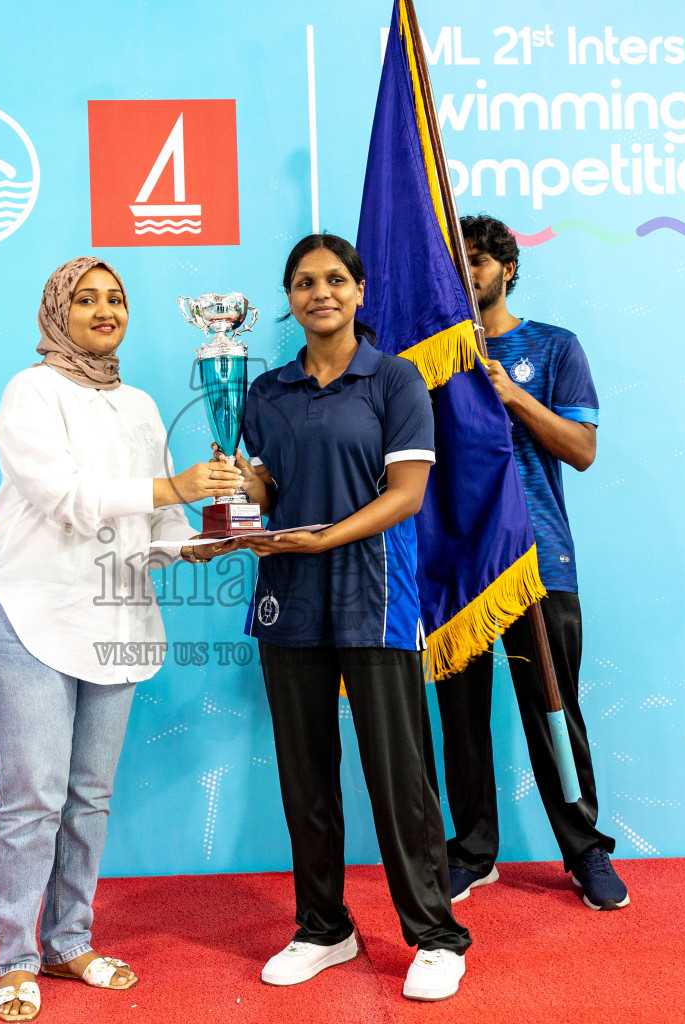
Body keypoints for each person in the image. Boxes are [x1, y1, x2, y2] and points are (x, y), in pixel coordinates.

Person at [0, 256, 245, 1021]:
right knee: (34, 800)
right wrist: (171, 489)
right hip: (26, 616)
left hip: (113, 622)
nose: (103, 309)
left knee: (89, 798)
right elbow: (64, 496)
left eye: (115, 298)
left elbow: (156, 531)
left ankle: (68, 940)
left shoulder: (143, 407)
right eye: (85, 298)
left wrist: (215, 532)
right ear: (57, 311)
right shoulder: (32, 392)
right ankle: (16, 956)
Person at [232, 233, 471, 1002]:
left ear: (360, 290)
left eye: (335, 279)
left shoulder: (395, 380)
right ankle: (323, 928)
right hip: (289, 600)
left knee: (398, 774)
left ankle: (436, 936)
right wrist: (231, 509)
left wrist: (323, 536)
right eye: (303, 282)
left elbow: (405, 496)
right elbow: (262, 499)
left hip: (375, 596)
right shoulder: (263, 390)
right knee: (306, 776)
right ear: (290, 298)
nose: (320, 292)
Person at [435, 214, 629, 911]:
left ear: (507, 269)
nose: (471, 269)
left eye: (481, 258)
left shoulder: (553, 347)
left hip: (540, 561)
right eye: (459, 259)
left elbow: (581, 449)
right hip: (458, 567)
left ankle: (584, 851)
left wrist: (512, 395)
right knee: (459, 716)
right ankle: (473, 851)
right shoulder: (429, 358)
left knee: (554, 707)